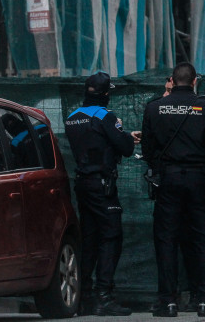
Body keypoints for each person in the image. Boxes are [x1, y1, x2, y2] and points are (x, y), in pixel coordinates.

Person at [141, 62, 205, 318]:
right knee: (203, 238)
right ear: (194, 82)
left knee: (166, 240)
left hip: (168, 180)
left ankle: (167, 301)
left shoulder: (154, 107)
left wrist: (163, 165)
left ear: (172, 80)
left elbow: (148, 150)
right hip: (199, 179)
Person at [65, 71, 139, 316]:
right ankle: (103, 296)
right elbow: (126, 148)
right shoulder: (106, 116)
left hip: (83, 184)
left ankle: (83, 296)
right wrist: (127, 137)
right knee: (111, 236)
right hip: (102, 185)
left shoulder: (72, 117)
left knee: (89, 238)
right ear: (106, 94)